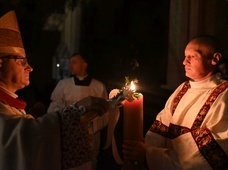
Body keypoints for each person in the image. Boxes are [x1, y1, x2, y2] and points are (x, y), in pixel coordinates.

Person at [0, 10, 108, 170]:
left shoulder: (99, 86)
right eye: (21, 61)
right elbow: (22, 139)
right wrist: (75, 114)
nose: (29, 67)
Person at [122, 35, 228, 169]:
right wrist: (142, 146)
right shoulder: (183, 89)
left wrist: (149, 154)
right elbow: (162, 128)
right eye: (185, 56)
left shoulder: (224, 96)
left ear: (215, 59)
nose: (184, 62)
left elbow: (208, 157)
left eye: (193, 56)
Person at [47, 53, 108, 170]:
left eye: (74, 62)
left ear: (84, 64)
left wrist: (90, 128)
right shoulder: (63, 85)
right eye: (70, 62)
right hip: (67, 136)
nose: (70, 65)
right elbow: (53, 109)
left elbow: (105, 114)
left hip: (91, 137)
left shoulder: (99, 86)